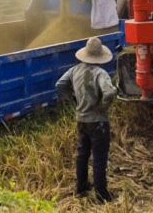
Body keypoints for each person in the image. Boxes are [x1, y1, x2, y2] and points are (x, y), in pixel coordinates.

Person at [56, 37, 117, 203]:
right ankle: (102, 194)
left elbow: (60, 85)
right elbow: (110, 93)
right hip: (98, 122)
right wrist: (102, 107)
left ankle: (81, 188)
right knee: (99, 157)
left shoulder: (74, 70)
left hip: (81, 119)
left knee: (82, 154)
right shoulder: (100, 73)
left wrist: (72, 100)